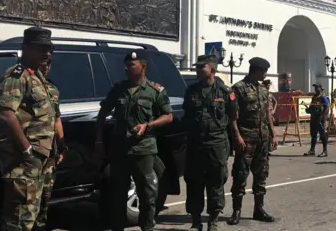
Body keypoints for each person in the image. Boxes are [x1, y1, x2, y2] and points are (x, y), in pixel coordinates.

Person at [94, 49, 174, 231]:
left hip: (144, 150)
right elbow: (102, 115)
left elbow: (168, 116)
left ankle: (147, 228)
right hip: (120, 150)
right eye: (126, 65)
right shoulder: (119, 89)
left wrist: (148, 125)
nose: (127, 68)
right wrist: (99, 143)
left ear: (143, 66)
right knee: (117, 195)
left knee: (147, 194)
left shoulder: (155, 91)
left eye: (131, 65)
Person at [0, 26, 57, 231]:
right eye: (41, 48)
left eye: (49, 49)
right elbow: (6, 113)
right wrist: (26, 149)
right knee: (20, 219)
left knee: (34, 215)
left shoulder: (37, 77)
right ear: (26, 48)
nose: (46, 53)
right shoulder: (17, 76)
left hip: (39, 160)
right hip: (23, 162)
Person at [183, 55, 237, 231]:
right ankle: (196, 221)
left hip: (216, 143)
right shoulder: (191, 91)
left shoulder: (225, 92)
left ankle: (213, 220)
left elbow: (233, 115)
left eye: (201, 67)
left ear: (211, 69)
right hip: (196, 144)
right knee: (194, 182)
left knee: (216, 182)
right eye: (197, 67)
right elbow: (187, 114)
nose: (197, 70)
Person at [227, 57, 276, 226]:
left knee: (261, 174)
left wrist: (273, 134)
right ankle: (236, 211)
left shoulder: (263, 89)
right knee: (240, 174)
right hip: (246, 138)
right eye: (264, 71)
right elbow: (233, 116)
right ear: (256, 70)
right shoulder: (238, 89)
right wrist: (237, 136)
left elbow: (268, 113)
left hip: (263, 139)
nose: (266, 74)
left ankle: (259, 209)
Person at [35, 59, 67, 231]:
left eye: (49, 63)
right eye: (43, 63)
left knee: (45, 197)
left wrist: (62, 146)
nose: (45, 66)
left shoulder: (53, 90)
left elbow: (57, 119)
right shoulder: (22, 83)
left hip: (49, 153)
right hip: (31, 153)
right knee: (26, 202)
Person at [303, 83, 329, 158]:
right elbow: (312, 106)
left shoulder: (323, 97)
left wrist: (322, 117)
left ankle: (325, 151)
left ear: (321, 88)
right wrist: (308, 110)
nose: (315, 89)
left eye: (317, 87)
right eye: (315, 87)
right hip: (313, 118)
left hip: (320, 119)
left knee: (322, 135)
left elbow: (326, 107)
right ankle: (312, 150)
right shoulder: (314, 97)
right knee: (313, 135)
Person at [262, 80, 278, 154]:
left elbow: (275, 102)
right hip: (264, 115)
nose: (268, 87)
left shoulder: (270, 94)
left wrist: (274, 110)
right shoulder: (262, 93)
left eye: (269, 85)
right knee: (265, 132)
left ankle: (269, 148)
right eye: (267, 85)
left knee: (270, 133)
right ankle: (265, 148)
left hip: (270, 114)